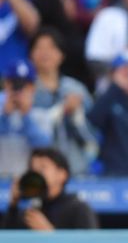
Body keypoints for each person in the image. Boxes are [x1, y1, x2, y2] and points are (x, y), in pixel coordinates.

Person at [29, 28, 97, 176]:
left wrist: (76, 116)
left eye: (51, 47)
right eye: (39, 48)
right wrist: (61, 110)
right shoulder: (26, 91)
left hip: (75, 168)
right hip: (38, 170)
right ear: (31, 54)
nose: (45, 53)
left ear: (61, 55)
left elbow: (92, 136)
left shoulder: (75, 89)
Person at [0, 59, 51, 177]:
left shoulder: (41, 112)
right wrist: (5, 116)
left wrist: (26, 117)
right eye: (14, 84)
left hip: (28, 179)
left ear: (32, 87)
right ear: (6, 84)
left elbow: (43, 146)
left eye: (24, 85)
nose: (18, 90)